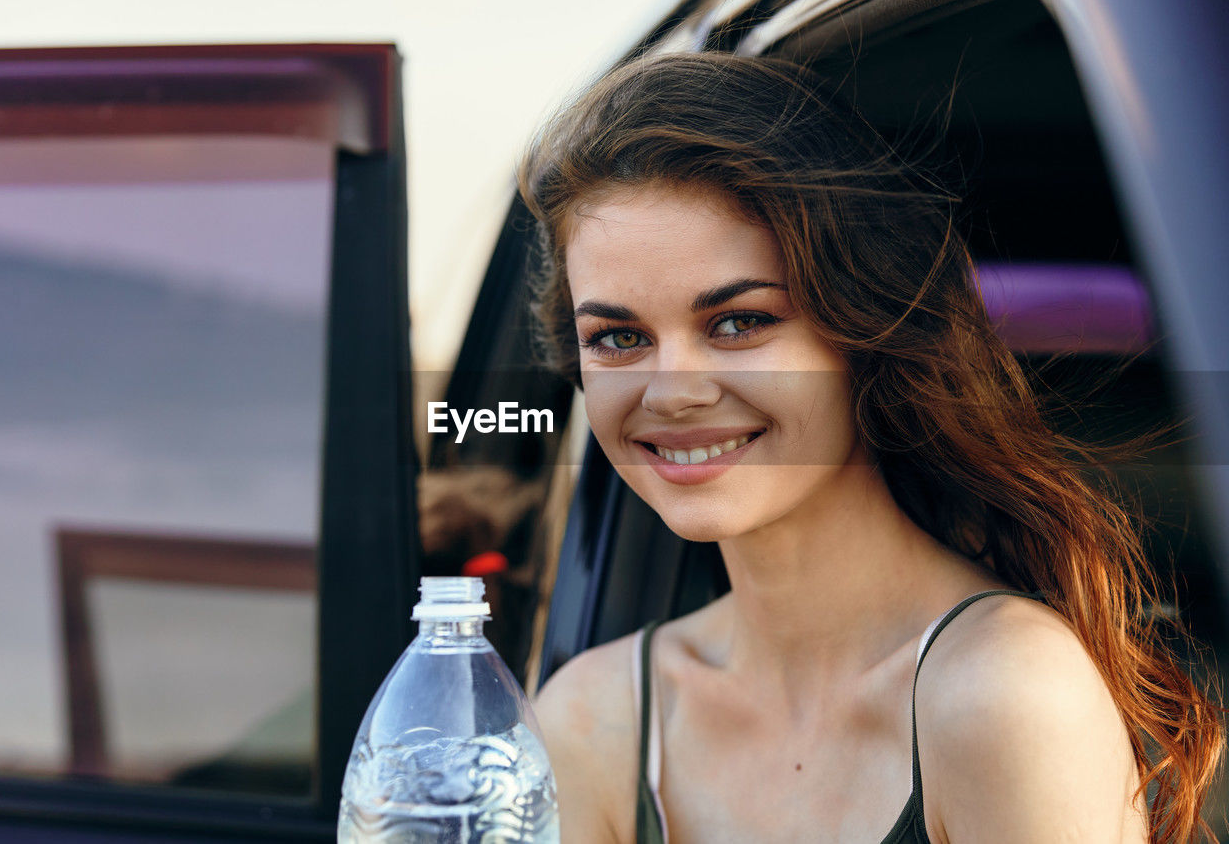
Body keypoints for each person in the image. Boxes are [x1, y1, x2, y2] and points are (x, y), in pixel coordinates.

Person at [516, 52, 1224, 843]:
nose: (673, 390)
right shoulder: (589, 719)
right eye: (617, 337)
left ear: (860, 330)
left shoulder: (1007, 695)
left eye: (740, 321)